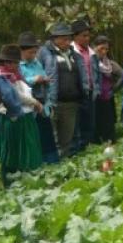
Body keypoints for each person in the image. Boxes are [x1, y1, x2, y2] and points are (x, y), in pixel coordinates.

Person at [0, 44, 43, 185]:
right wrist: (35, 103)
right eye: (11, 62)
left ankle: (26, 179)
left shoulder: (15, 75)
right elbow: (17, 96)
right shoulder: (2, 76)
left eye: (15, 62)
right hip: (12, 117)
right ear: (5, 62)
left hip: (24, 115)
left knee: (27, 147)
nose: (14, 64)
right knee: (14, 150)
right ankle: (12, 181)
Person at [38, 22, 88, 158]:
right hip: (52, 101)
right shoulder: (44, 53)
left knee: (67, 137)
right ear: (55, 39)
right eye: (64, 39)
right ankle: (53, 165)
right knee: (52, 137)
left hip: (71, 103)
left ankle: (64, 164)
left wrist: (85, 90)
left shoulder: (74, 54)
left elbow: (81, 74)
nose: (68, 42)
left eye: (69, 38)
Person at [18, 31, 59, 164]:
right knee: (33, 136)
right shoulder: (17, 65)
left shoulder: (36, 63)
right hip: (28, 105)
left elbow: (43, 75)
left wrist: (44, 80)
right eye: (30, 52)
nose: (33, 55)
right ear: (22, 51)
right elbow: (18, 83)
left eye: (35, 52)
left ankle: (52, 163)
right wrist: (34, 79)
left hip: (42, 102)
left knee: (46, 134)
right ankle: (36, 164)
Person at [71, 19, 100, 150]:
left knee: (90, 123)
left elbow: (96, 72)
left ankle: (88, 148)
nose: (87, 38)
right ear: (75, 36)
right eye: (84, 35)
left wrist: (96, 89)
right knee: (77, 124)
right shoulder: (71, 52)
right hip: (77, 94)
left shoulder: (92, 53)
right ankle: (78, 150)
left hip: (91, 92)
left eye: (88, 35)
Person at [93, 35, 123, 143]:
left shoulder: (109, 63)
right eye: (101, 48)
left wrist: (114, 89)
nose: (104, 51)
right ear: (95, 47)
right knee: (96, 122)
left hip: (107, 97)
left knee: (108, 122)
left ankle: (110, 142)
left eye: (106, 49)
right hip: (95, 97)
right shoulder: (90, 61)